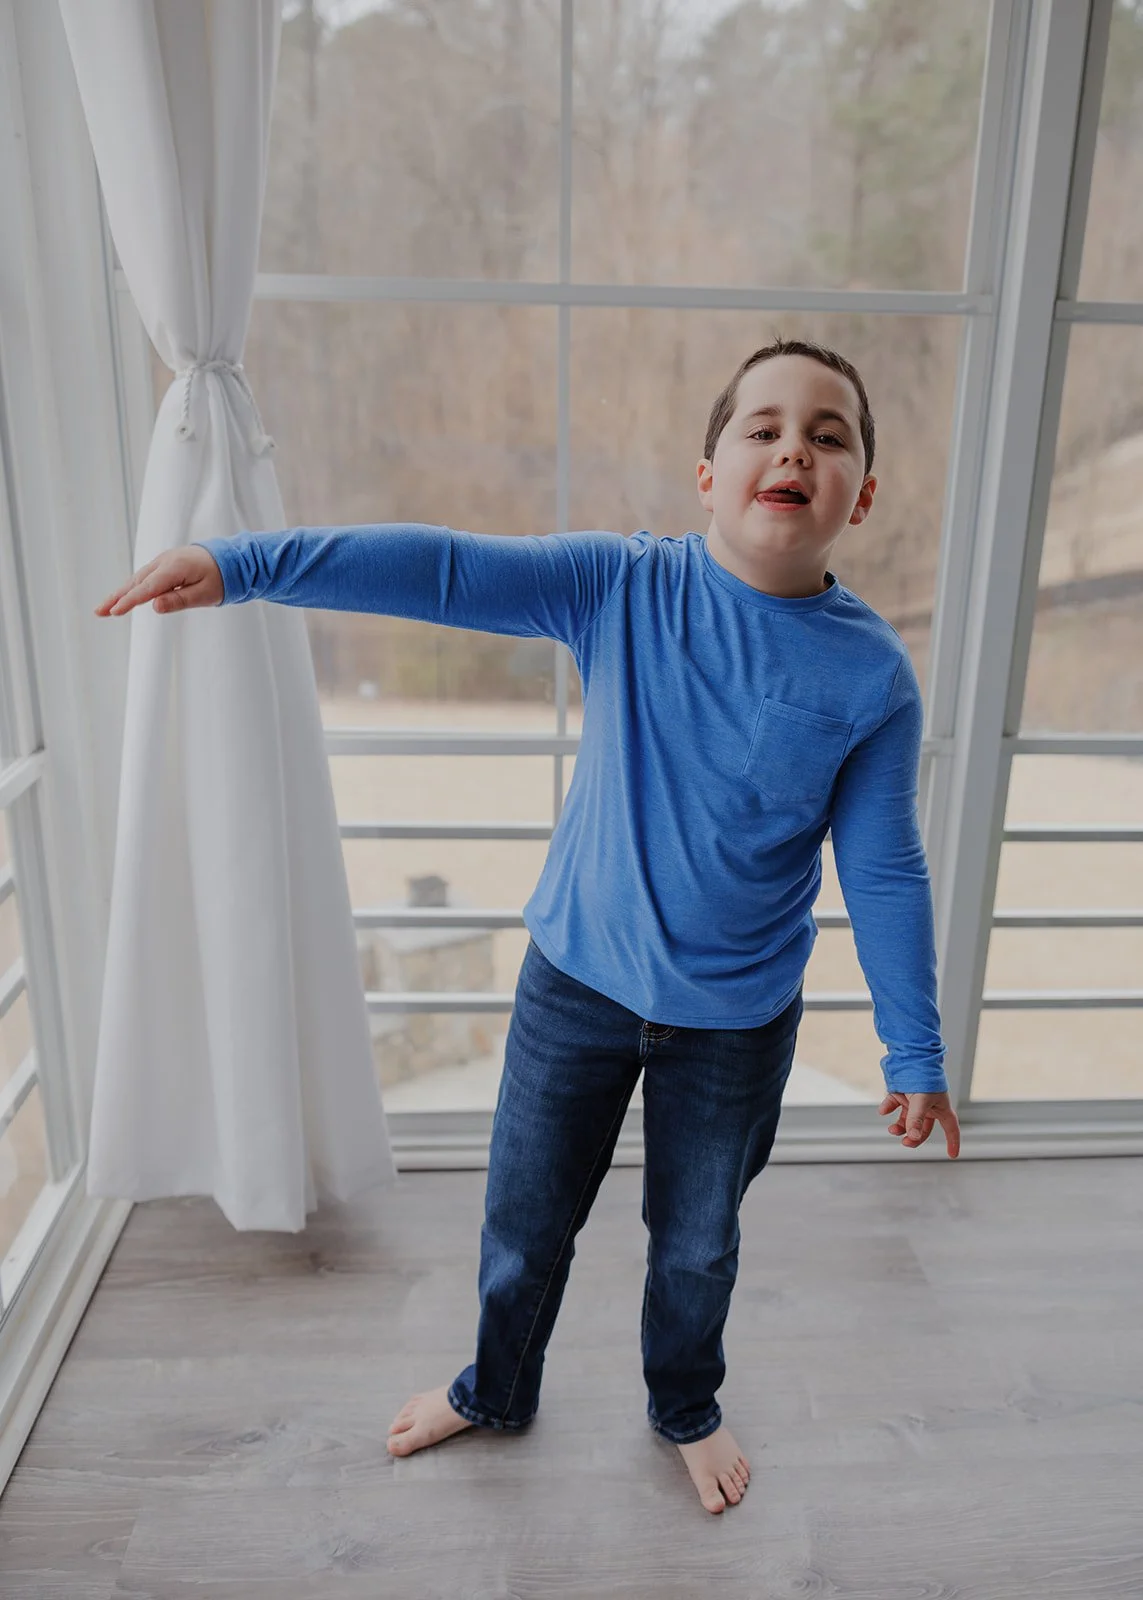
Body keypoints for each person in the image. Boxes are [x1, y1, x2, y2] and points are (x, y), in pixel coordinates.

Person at [95, 337, 961, 1516]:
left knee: (698, 1245)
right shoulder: (624, 585)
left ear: (861, 493)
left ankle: (684, 1404)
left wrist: (914, 1046)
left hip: (737, 1026)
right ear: (707, 472)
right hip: (577, 990)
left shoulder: (873, 679)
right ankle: (496, 1386)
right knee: (524, 1218)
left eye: (828, 431)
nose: (794, 446)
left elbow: (888, 871)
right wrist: (239, 563)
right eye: (762, 426)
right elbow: (443, 570)